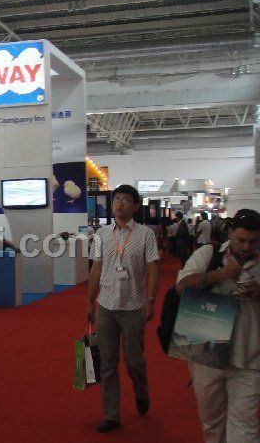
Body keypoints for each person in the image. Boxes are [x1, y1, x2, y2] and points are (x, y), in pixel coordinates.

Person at [176, 209, 260, 442]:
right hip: (207, 352)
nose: (246, 246)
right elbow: (181, 287)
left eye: (253, 242)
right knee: (212, 423)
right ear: (230, 233)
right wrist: (219, 274)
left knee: (245, 427)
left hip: (250, 357)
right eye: (241, 240)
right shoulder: (208, 254)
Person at [87, 184, 160, 433]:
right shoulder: (101, 234)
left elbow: (154, 268)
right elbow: (96, 267)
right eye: (116, 199)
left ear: (136, 206)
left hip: (133, 306)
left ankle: (141, 391)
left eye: (126, 199)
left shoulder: (145, 235)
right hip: (105, 306)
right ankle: (111, 414)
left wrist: (150, 299)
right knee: (108, 363)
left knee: (133, 360)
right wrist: (90, 301)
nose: (119, 203)